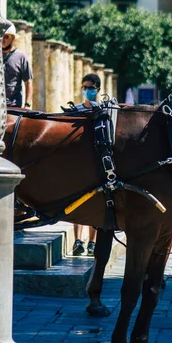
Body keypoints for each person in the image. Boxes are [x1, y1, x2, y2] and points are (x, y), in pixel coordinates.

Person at [72, 73, 102, 256]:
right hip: (79, 163)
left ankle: (92, 241)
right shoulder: (75, 110)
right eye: (84, 88)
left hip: (97, 163)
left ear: (97, 89)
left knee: (96, 204)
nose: (87, 91)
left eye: (90, 88)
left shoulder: (103, 111)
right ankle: (77, 240)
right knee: (77, 203)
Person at [3, 24, 33, 108]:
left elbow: (28, 82)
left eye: (6, 37)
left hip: (14, 106)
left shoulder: (21, 57)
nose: (3, 39)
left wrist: (27, 105)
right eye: (1, 36)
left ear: (12, 38)